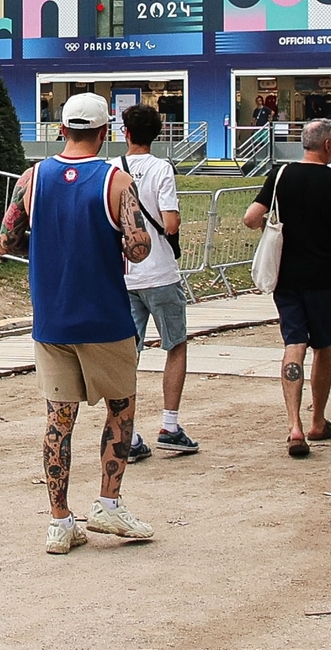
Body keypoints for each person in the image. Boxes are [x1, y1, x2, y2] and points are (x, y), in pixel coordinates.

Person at [0, 92, 157, 554]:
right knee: (121, 409)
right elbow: (138, 248)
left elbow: (7, 239)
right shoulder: (116, 181)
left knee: (57, 420)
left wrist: (46, 249)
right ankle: (108, 501)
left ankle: (59, 520)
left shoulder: (33, 178)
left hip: (52, 318)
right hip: (106, 316)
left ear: (61, 128)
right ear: (106, 132)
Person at [243, 120, 331, 456]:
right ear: (327, 145)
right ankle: (318, 420)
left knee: (294, 342)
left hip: (287, 276)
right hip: (325, 276)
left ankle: (294, 424)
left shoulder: (281, 176)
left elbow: (251, 218)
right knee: (323, 347)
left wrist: (274, 224)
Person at [117, 104, 197, 460]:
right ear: (158, 132)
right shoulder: (161, 168)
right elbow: (171, 223)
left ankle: (127, 432)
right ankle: (170, 424)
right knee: (175, 344)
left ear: (126, 132)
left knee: (125, 355)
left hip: (126, 273)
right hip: (161, 271)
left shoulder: (113, 170)